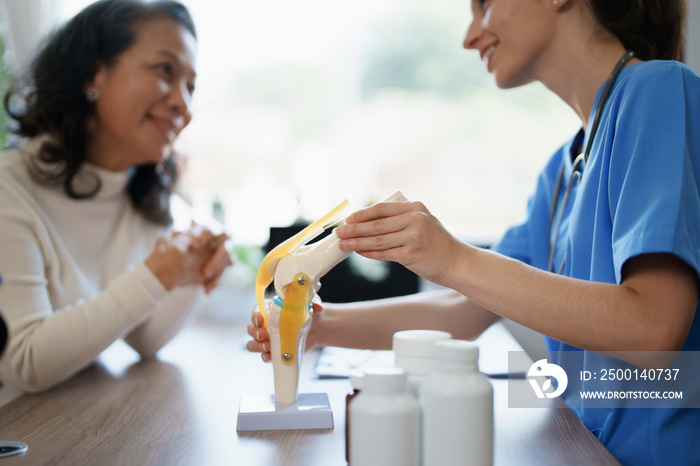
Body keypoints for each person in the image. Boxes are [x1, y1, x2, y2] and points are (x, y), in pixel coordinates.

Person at [248, 0, 700, 463]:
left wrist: (452, 257)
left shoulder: (659, 92)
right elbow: (465, 309)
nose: (470, 36)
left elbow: (653, 330)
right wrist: (320, 326)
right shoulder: (563, 169)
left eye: (484, 5)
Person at [0, 0, 232, 394]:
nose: (183, 105)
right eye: (165, 71)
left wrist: (188, 275)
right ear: (94, 71)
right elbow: (24, 361)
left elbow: (144, 340)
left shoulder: (144, 193)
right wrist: (157, 274)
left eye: (190, 86)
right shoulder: (9, 188)